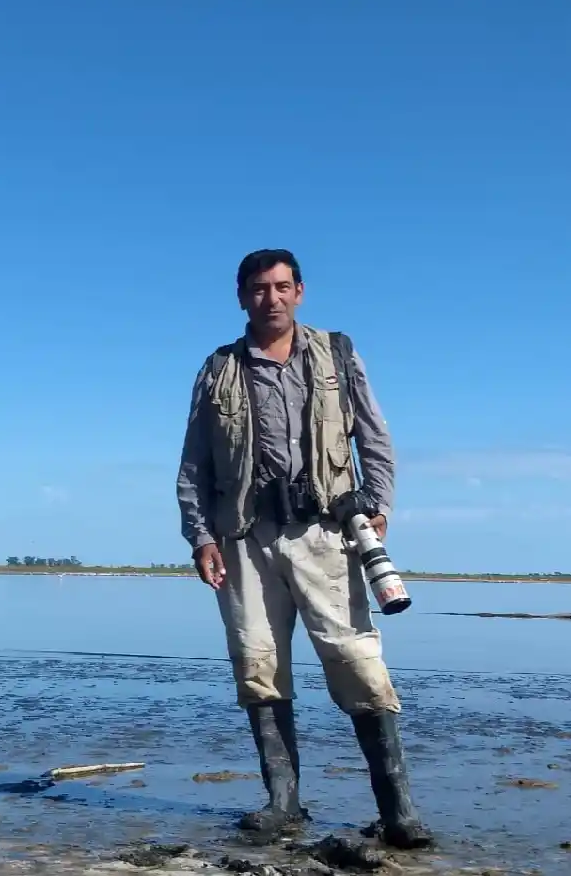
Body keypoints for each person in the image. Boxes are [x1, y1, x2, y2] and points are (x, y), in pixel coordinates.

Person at [175, 249, 433, 849]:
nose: (272, 298)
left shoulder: (337, 354)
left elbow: (375, 436)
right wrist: (201, 536)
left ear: (301, 292)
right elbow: (194, 464)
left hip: (327, 534)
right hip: (243, 539)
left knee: (359, 666)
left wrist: (382, 507)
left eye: (283, 287)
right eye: (260, 289)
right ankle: (284, 804)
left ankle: (399, 814)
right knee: (258, 667)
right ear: (242, 297)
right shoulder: (218, 368)